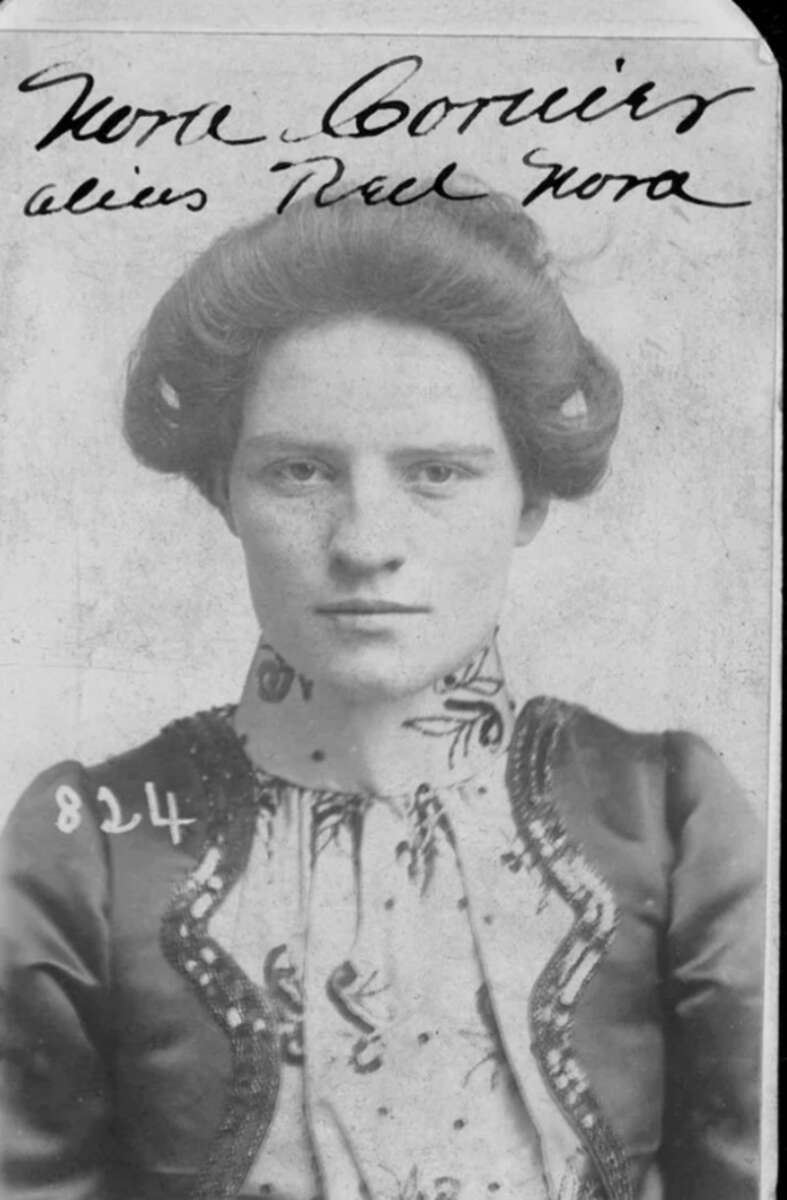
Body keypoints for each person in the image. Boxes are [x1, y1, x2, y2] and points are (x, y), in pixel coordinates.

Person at [0, 190, 764, 1200]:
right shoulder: (87, 849)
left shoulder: (669, 819)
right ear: (223, 491)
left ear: (528, 497)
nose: (365, 543)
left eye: (437, 472)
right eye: (299, 472)